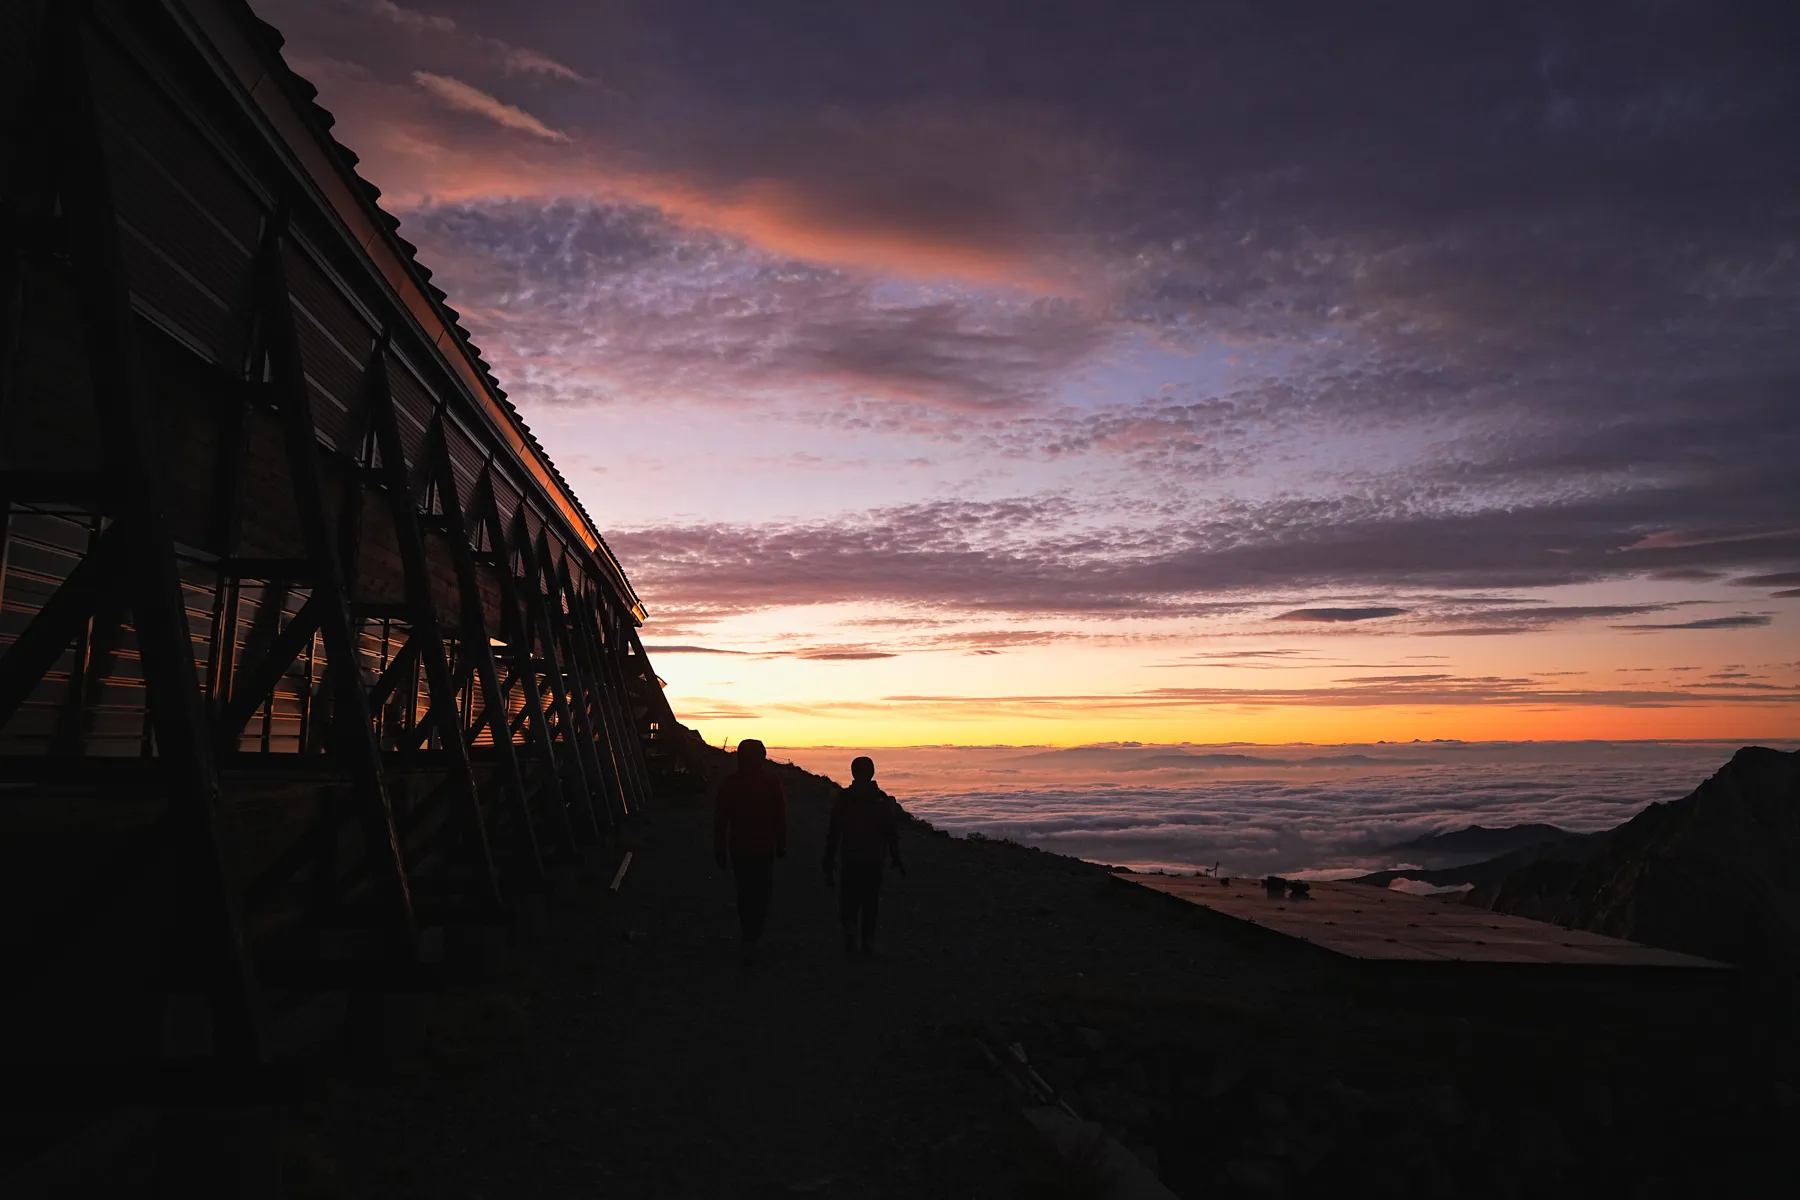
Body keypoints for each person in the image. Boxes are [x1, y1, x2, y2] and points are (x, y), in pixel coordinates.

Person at [821, 756, 904, 956]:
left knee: (849, 899)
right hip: (874, 860)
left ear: (853, 773)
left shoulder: (845, 798)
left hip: (850, 858)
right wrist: (896, 857)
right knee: (870, 902)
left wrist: (829, 859)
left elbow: (834, 832)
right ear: (872, 773)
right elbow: (890, 831)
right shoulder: (881, 799)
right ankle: (867, 942)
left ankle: (850, 935)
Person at [713, 739, 787, 965]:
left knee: (746, 891)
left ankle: (750, 934)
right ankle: (752, 934)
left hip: (741, 847)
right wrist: (781, 843)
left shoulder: (730, 783)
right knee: (760, 892)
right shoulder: (770, 781)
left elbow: (720, 821)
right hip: (761, 848)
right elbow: (780, 815)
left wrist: (720, 850)